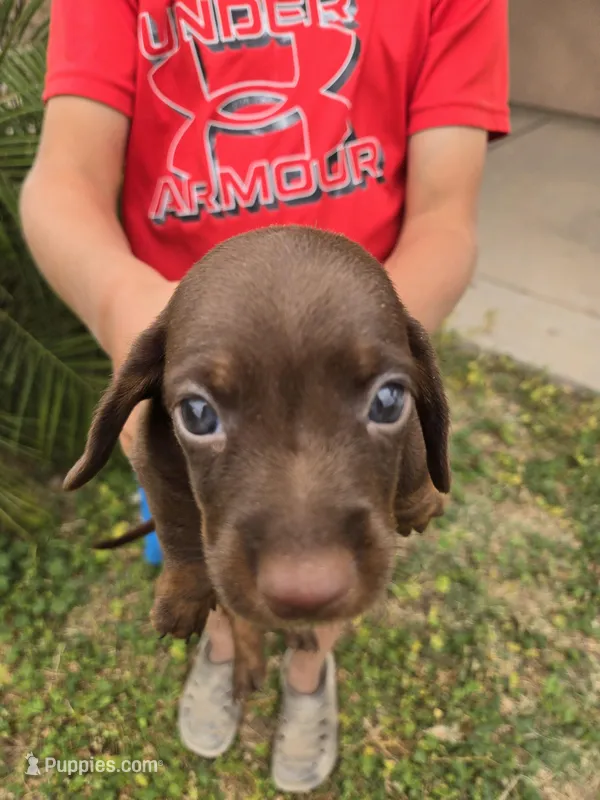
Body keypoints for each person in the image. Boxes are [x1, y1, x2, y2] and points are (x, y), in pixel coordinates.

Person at [20, 0, 509, 792]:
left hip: (359, 346)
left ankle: (310, 669)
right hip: (190, 358)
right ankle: (222, 643)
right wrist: (125, 308)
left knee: (330, 558)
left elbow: (446, 218)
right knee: (203, 543)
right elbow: (62, 183)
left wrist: (386, 369)